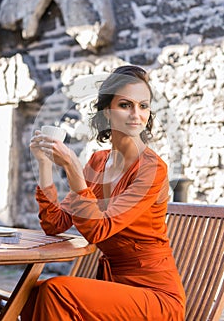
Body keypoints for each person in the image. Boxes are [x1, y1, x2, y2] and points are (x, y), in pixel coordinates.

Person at [22, 65, 186, 320]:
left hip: (155, 296)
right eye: (125, 105)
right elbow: (54, 223)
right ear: (106, 112)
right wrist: (45, 163)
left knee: (57, 292)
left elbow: (100, 229)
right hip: (115, 290)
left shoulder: (153, 170)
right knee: (32, 293)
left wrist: (73, 169)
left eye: (143, 106)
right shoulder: (98, 162)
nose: (136, 114)